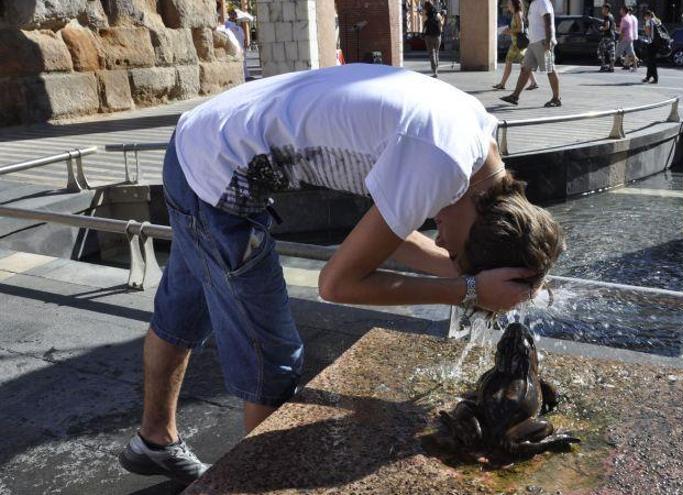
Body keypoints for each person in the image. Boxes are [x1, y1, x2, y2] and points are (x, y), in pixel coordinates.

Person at [117, 63, 564, 485]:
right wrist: (467, 289)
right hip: (217, 176)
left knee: (183, 311)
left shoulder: (477, 145)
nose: (442, 244)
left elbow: (389, 235)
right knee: (271, 355)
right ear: (485, 228)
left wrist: (472, 280)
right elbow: (335, 284)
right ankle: (256, 485)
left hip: (198, 141)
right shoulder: (441, 165)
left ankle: (154, 441)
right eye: (459, 251)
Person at [499, 0, 561, 107]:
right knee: (525, 69)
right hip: (533, 43)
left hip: (542, 41)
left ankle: (556, 98)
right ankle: (515, 96)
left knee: (549, 69)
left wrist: (548, 40)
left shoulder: (542, 2)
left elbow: (548, 20)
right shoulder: (533, 4)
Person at [492, 0, 538, 91]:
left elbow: (520, 29)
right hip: (515, 44)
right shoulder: (515, 14)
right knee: (509, 62)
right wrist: (508, 32)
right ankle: (502, 84)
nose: (507, 5)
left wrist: (508, 31)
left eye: (509, 3)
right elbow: (516, 30)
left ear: (513, 4)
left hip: (518, 44)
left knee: (523, 64)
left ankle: (533, 82)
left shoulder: (518, 14)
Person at [225, 9, 250, 80]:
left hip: (240, 47)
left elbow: (243, 37)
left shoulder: (238, 27)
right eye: (233, 14)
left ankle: (245, 76)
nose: (234, 16)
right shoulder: (227, 24)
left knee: (243, 62)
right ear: (230, 15)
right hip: (234, 47)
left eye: (235, 15)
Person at [423, 0, 444, 77]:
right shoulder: (437, 14)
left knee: (431, 54)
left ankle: (434, 70)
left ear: (426, 7)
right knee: (436, 53)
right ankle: (436, 70)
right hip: (437, 36)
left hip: (428, 36)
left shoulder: (425, 15)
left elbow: (424, 26)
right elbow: (441, 24)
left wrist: (423, 34)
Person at [616, 5, 638, 71]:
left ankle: (611, 66)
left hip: (625, 38)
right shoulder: (631, 18)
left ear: (624, 11)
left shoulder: (625, 19)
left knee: (617, 52)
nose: (620, 11)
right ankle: (634, 66)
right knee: (631, 53)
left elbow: (623, 31)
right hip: (631, 37)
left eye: (621, 9)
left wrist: (619, 39)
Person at [597, 3, 616, 72]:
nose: (602, 10)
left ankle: (603, 65)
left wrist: (602, 28)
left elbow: (607, 26)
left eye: (603, 8)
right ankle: (611, 67)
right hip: (612, 36)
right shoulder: (612, 16)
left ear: (606, 9)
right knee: (612, 51)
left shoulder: (607, 16)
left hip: (606, 37)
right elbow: (614, 25)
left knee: (600, 50)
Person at [643, 10, 660, 84]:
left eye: (645, 16)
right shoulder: (657, 21)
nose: (644, 18)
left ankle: (655, 78)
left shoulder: (648, 21)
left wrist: (645, 28)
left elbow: (647, 32)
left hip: (651, 43)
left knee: (651, 61)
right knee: (651, 61)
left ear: (648, 16)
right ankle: (648, 76)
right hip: (657, 43)